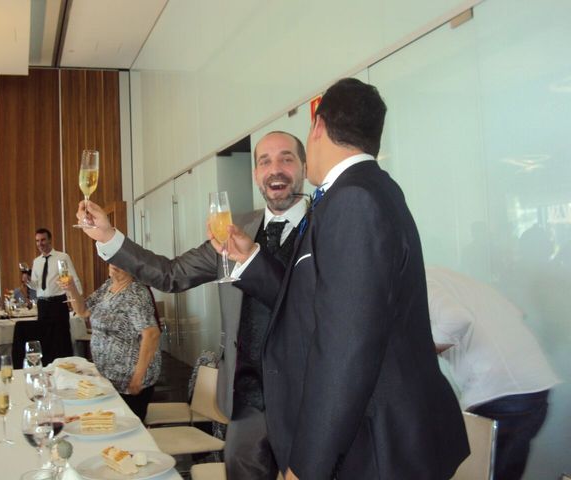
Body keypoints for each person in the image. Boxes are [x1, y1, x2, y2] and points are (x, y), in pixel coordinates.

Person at [218, 78, 469, 479]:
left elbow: (345, 349)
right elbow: (315, 298)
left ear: (317, 127)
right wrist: (252, 259)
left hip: (374, 443)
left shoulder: (352, 202)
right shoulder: (367, 190)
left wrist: (305, 465)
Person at [75, 131, 308, 479]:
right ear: (255, 174)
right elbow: (171, 274)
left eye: (286, 159)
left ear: (304, 166)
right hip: (248, 399)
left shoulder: (326, 226)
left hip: (309, 399)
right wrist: (110, 237)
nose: (276, 169)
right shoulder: (234, 228)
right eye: (265, 161)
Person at [426, 266, 559, 480]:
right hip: (534, 388)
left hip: (502, 391)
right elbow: (516, 311)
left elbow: (457, 320)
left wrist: (420, 350)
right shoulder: (451, 277)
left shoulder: (424, 279)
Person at [62, 264, 161, 421]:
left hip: (129, 382)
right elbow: (83, 311)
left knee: (126, 431)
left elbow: (151, 334)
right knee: (107, 425)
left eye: (121, 262)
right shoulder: (108, 286)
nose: (115, 265)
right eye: (112, 260)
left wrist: (137, 378)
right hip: (109, 379)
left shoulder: (136, 293)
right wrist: (71, 288)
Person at [28, 228, 82, 364]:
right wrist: (28, 281)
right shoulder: (36, 262)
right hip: (42, 305)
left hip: (58, 303)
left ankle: (66, 369)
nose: (40, 243)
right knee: (44, 339)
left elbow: (72, 279)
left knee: (61, 339)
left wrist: (78, 301)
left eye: (43, 240)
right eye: (37, 241)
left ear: (50, 240)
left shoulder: (62, 257)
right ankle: (46, 370)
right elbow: (36, 285)